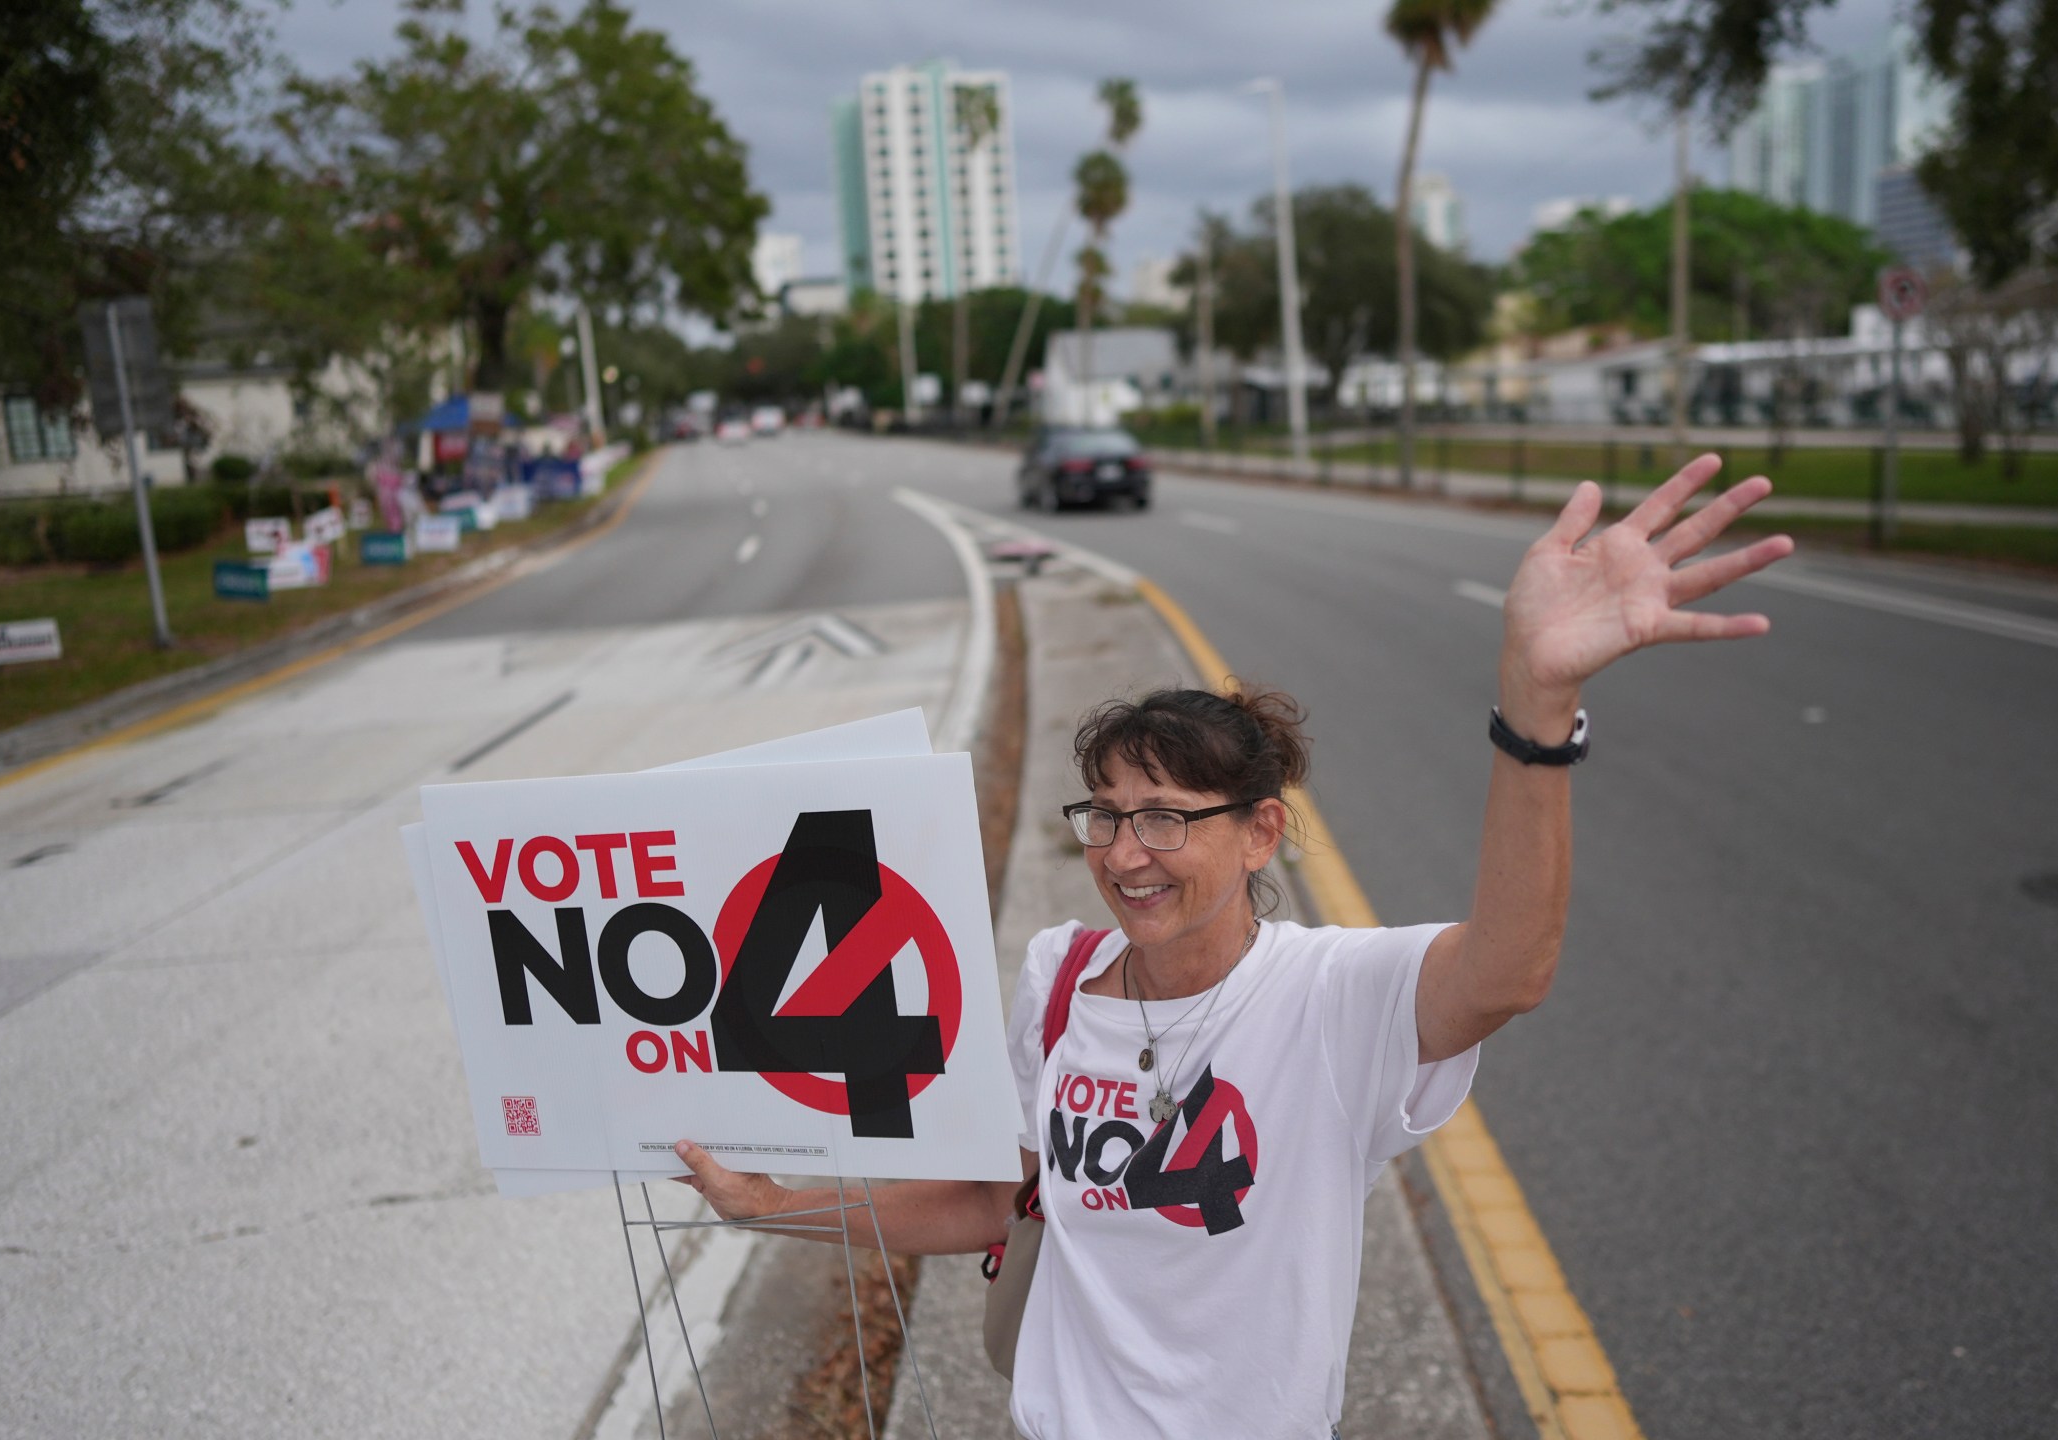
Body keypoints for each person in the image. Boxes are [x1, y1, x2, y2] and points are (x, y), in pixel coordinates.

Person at [674, 457, 1794, 1436]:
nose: (1126, 853)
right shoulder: (1058, 979)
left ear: (1262, 831)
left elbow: (1510, 966)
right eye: (1105, 813)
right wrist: (768, 1206)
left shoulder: (1330, 998)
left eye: (1166, 815)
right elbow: (993, 1203)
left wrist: (1535, 710)